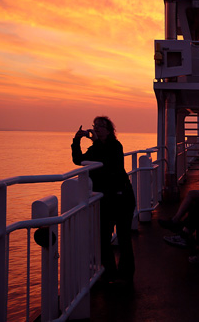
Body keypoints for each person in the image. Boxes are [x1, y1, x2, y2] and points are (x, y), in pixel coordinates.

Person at [71, 116, 135, 283]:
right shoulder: (95, 148)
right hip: (107, 199)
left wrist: (95, 141)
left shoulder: (115, 146)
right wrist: (76, 140)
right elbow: (78, 160)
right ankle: (110, 274)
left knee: (123, 237)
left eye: (101, 126)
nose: (96, 128)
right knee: (103, 238)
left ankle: (126, 275)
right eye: (95, 125)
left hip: (122, 197)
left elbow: (109, 163)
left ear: (109, 130)